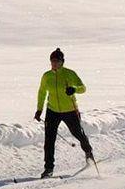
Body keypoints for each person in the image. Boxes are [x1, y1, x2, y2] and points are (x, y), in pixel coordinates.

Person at [34, 47, 94, 177]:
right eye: (52, 61)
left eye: (57, 61)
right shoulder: (47, 76)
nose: (54, 63)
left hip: (70, 110)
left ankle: (89, 153)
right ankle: (49, 168)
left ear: (62, 62)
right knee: (49, 140)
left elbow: (83, 88)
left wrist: (74, 89)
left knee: (78, 133)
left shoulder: (69, 74)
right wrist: (39, 110)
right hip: (52, 111)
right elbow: (42, 92)